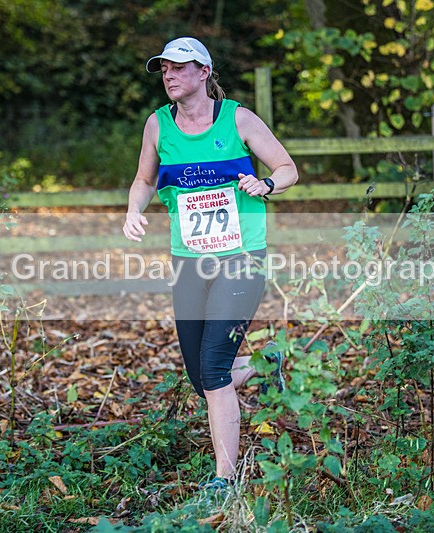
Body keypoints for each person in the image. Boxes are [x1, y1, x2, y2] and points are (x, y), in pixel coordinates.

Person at [122, 37, 298, 491]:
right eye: (163, 69)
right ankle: (265, 364)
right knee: (201, 378)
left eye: (179, 67)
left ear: (204, 71)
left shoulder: (237, 118)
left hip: (241, 258)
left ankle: (224, 480)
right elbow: (143, 180)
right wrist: (134, 209)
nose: (169, 76)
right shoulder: (158, 125)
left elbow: (287, 168)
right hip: (189, 262)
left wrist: (265, 185)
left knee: (215, 369)